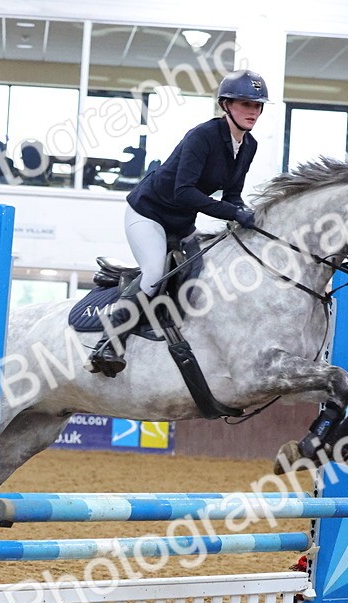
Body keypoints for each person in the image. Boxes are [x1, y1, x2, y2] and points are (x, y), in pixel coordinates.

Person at [86, 69, 268, 378]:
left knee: (201, 272)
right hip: (148, 213)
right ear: (226, 105)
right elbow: (184, 192)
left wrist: (250, 215)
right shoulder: (203, 136)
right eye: (244, 104)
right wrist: (232, 213)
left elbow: (233, 195)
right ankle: (109, 342)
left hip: (181, 223)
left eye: (256, 106)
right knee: (156, 273)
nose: (252, 112)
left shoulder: (249, 146)